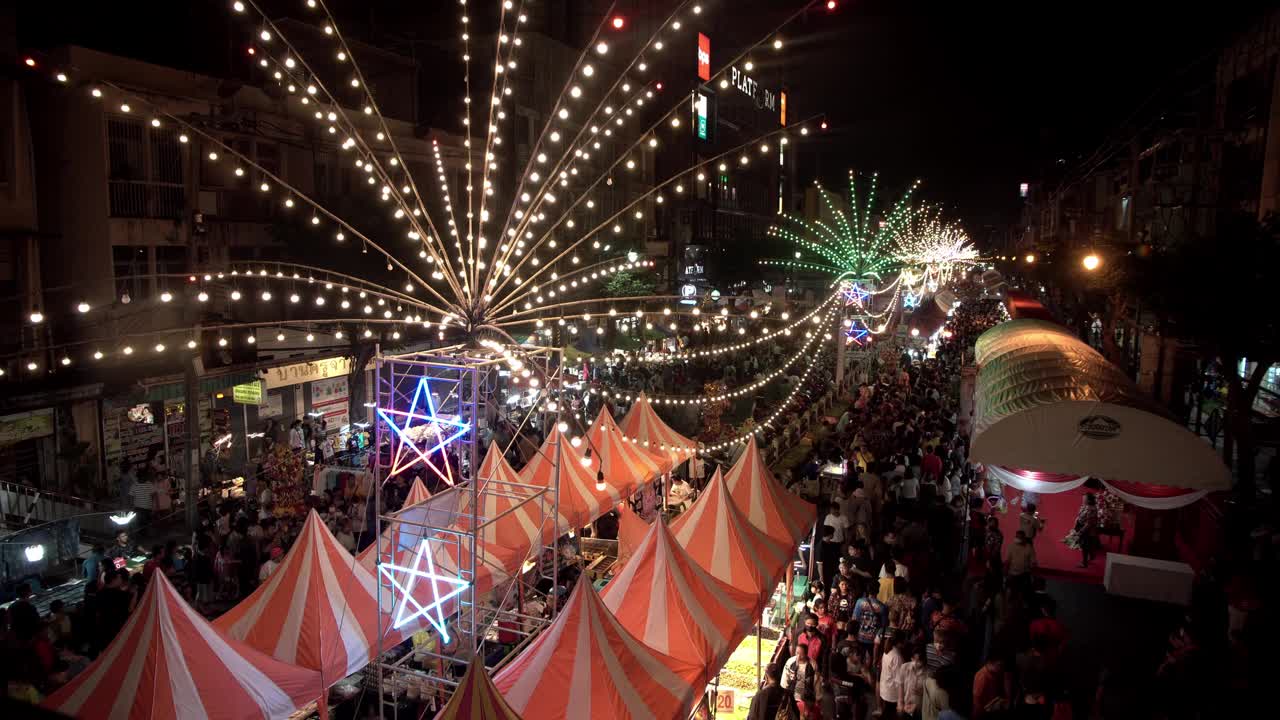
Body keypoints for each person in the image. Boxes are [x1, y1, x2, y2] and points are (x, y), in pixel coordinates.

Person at [782, 643, 819, 720]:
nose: (798, 656)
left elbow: (817, 683)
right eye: (797, 653)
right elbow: (785, 679)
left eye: (801, 654)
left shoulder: (812, 664)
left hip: (807, 698)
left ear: (806, 654)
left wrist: (818, 698)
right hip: (793, 696)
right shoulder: (790, 662)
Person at [879, 635, 906, 718]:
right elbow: (899, 679)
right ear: (899, 642)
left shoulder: (887, 650)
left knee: (887, 712)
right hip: (892, 691)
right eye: (904, 640)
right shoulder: (897, 657)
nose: (905, 642)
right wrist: (901, 698)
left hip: (886, 688)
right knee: (889, 714)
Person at [898, 644, 927, 718]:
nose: (916, 663)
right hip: (905, 703)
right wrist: (900, 703)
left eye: (919, 660)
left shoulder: (928, 673)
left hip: (919, 706)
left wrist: (922, 692)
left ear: (923, 660)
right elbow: (901, 686)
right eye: (914, 659)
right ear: (911, 658)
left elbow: (928, 694)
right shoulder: (904, 667)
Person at [1074, 493, 1100, 568]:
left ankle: (1084, 563)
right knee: (1085, 544)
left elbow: (1089, 523)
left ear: (1089, 500)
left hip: (1087, 530)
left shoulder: (1092, 509)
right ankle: (1092, 555)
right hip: (1082, 527)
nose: (1083, 500)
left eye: (1084, 499)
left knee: (1085, 545)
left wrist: (1081, 531)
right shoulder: (1084, 506)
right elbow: (1079, 515)